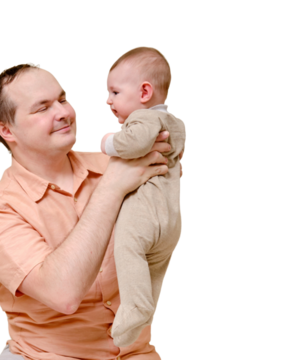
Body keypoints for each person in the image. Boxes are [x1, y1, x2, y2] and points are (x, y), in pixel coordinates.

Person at [0, 60, 178, 360]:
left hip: (138, 354)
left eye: (63, 98)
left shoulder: (120, 164)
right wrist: (112, 188)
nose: (64, 112)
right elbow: (63, 295)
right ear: (6, 130)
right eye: (42, 108)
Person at [99, 45, 186, 347]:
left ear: (145, 92)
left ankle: (135, 308)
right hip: (171, 218)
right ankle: (142, 317)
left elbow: (135, 142)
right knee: (153, 270)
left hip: (143, 213)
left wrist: (109, 142)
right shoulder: (176, 124)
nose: (109, 101)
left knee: (128, 251)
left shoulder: (144, 120)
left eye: (115, 92)